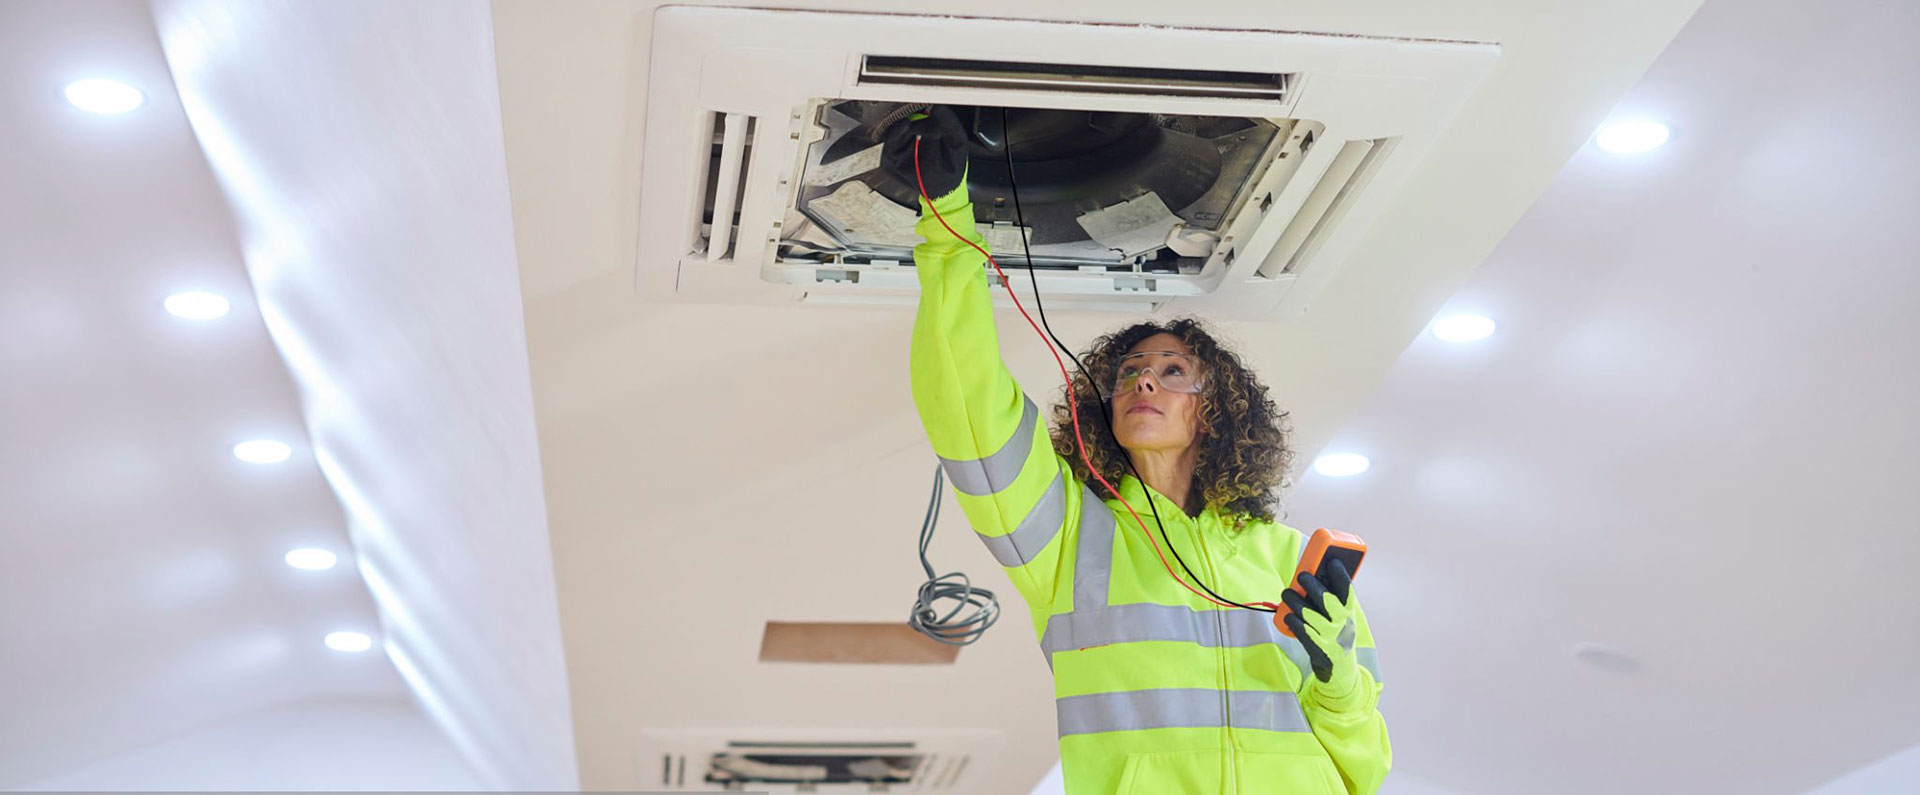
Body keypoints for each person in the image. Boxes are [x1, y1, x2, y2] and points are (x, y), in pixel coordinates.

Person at [891, 107, 1391, 794]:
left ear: (1218, 410)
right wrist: (945, 221)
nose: (1143, 378)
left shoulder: (1293, 562)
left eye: (1172, 370)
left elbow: (1364, 769)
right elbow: (967, 405)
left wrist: (1337, 676)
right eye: (1127, 373)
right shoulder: (1067, 538)